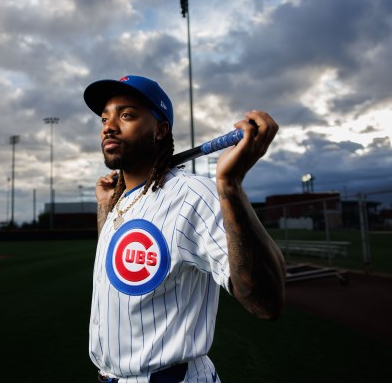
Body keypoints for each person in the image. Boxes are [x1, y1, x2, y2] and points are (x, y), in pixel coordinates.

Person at [84, 75, 285, 383]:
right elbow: (115, 259)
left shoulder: (194, 195)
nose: (109, 126)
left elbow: (265, 302)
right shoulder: (119, 200)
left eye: (126, 115)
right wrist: (104, 207)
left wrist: (229, 187)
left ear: (161, 129)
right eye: (104, 118)